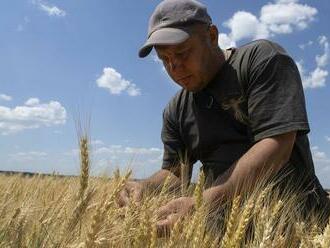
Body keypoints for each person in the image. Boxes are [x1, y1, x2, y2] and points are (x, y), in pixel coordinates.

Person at [118, 0, 330, 233]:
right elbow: (176, 172)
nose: (174, 67)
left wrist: (205, 202)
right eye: (164, 59)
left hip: (300, 228)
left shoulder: (261, 60)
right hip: (226, 234)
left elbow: (277, 144)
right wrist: (145, 187)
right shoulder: (175, 110)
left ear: (211, 36)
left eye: (182, 52)